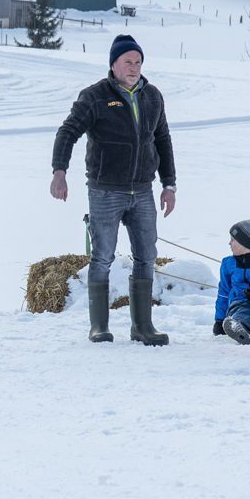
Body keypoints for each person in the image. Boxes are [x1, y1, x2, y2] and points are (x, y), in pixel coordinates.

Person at [49, 34, 176, 345]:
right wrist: (59, 172)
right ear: (114, 65)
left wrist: (169, 184)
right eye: (127, 62)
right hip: (105, 190)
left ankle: (142, 326)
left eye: (138, 62)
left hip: (142, 190)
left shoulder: (152, 97)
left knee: (146, 256)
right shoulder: (95, 96)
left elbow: (162, 140)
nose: (134, 67)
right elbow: (68, 132)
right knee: (102, 256)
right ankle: (99, 326)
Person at [213, 220, 250, 345]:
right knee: (241, 309)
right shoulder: (228, 264)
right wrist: (219, 320)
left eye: (233, 240)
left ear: (246, 243)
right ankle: (241, 329)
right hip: (239, 302)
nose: (229, 243)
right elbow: (223, 293)